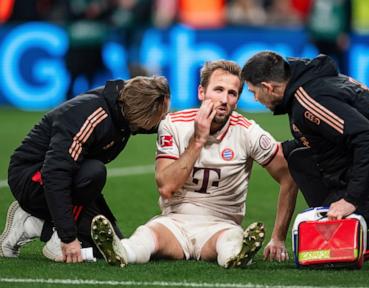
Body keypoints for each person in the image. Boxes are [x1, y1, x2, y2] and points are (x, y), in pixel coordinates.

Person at [90, 60, 298, 268]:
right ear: (201, 92)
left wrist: (278, 238)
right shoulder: (173, 124)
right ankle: (121, 251)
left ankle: (237, 255)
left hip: (220, 225)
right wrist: (197, 140)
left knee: (231, 240)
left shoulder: (248, 132)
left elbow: (288, 176)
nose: (224, 100)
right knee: (147, 235)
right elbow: (166, 187)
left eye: (232, 93)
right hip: (174, 221)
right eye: (218, 90)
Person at [0, 76, 170, 263]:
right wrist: (67, 237)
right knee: (94, 172)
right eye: (160, 115)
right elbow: (54, 173)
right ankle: (51, 234)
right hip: (32, 178)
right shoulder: (92, 115)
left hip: (71, 178)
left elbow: (163, 124)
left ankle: (32, 224)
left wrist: (200, 120)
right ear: (143, 114)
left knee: (116, 248)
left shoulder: (123, 109)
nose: (162, 120)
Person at [241, 51, 369, 261]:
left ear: (268, 87)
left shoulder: (310, 100)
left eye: (254, 92)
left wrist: (351, 199)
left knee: (319, 246)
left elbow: (368, 138)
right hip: (368, 158)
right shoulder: (310, 81)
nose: (255, 98)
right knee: (295, 153)